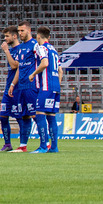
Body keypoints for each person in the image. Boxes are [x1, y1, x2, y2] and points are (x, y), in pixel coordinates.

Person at [28, 25, 62, 154]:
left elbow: (45, 63)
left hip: (46, 86)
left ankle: (43, 146)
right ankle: (54, 147)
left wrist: (33, 74)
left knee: (40, 114)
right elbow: (61, 71)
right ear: (49, 37)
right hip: (55, 88)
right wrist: (56, 85)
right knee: (51, 117)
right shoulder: (54, 50)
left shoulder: (42, 48)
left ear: (38, 36)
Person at [6, 21, 39, 152]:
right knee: (24, 115)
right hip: (21, 86)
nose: (20, 33)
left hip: (32, 85)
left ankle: (45, 143)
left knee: (35, 115)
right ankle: (23, 146)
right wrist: (13, 84)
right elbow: (19, 68)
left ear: (29, 31)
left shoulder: (35, 45)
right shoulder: (21, 48)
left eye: (22, 31)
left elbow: (43, 62)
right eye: (19, 31)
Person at [0, 26, 22, 152]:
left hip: (17, 88)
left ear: (15, 36)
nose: (5, 38)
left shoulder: (20, 50)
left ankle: (23, 144)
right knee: (3, 116)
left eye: (7, 36)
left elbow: (14, 66)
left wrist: (6, 51)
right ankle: (7, 144)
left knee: (19, 117)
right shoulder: (12, 50)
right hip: (8, 87)